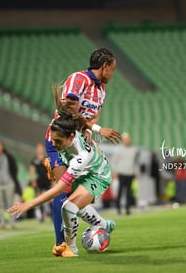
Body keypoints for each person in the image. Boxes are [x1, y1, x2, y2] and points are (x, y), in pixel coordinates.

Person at [8, 108, 116, 258]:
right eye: (52, 140)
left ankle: (71, 248)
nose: (54, 143)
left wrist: (28, 204)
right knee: (76, 206)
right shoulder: (65, 132)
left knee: (68, 207)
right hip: (85, 172)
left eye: (58, 141)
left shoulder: (81, 156)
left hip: (98, 175)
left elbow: (58, 189)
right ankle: (104, 225)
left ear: (71, 137)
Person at [44, 48, 121, 254]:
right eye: (112, 69)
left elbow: (93, 117)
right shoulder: (78, 79)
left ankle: (102, 224)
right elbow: (67, 110)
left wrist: (89, 130)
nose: (113, 73)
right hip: (59, 141)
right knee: (62, 193)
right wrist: (96, 129)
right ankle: (62, 245)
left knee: (79, 196)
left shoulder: (101, 90)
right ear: (104, 66)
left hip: (78, 145)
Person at [0, 141, 22, 229]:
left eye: (0, 146)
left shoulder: (9, 157)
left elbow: (14, 169)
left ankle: (12, 223)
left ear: (3, 147)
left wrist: (13, 179)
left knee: (10, 203)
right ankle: (2, 223)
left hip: (9, 183)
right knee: (0, 204)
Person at [111, 132, 139, 215]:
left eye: (128, 139)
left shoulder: (133, 150)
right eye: (126, 139)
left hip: (130, 173)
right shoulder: (118, 149)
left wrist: (136, 172)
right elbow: (114, 162)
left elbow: (135, 162)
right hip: (121, 173)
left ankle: (127, 209)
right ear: (123, 140)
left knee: (129, 192)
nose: (127, 141)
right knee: (120, 191)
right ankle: (118, 209)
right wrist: (114, 172)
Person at [29, 143, 51, 222]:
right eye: (38, 148)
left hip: (47, 180)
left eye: (41, 148)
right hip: (39, 181)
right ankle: (42, 216)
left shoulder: (46, 158)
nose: (39, 150)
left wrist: (52, 180)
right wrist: (33, 180)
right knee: (39, 198)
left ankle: (52, 215)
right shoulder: (34, 160)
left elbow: (49, 169)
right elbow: (32, 171)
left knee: (50, 198)